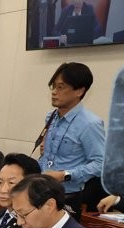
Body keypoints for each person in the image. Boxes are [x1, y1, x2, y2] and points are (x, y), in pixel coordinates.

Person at [38, 62, 105, 213]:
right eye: (53, 86)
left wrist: (64, 175)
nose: (54, 92)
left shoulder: (90, 124)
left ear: (79, 91)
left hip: (67, 197)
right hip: (41, 191)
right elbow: (47, 156)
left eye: (60, 87)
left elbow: (101, 164)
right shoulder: (51, 117)